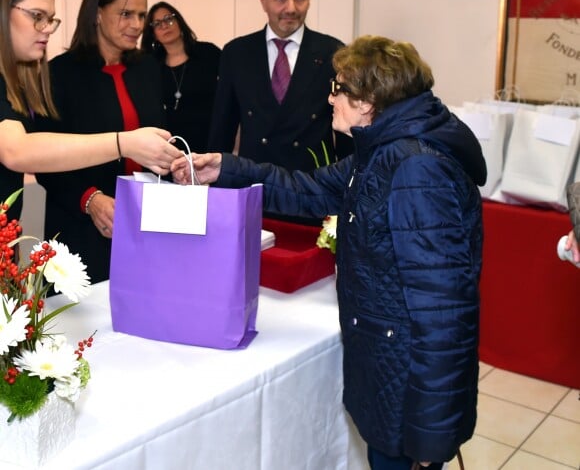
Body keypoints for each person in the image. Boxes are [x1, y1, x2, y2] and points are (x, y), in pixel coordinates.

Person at [174, 36, 486, 470]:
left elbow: (443, 312)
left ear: (368, 100)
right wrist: (226, 169)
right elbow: (309, 190)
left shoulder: (418, 170)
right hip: (387, 380)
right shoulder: (381, 151)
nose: (329, 97)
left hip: (406, 398)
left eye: (338, 88)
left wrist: (430, 439)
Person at [0, 0, 180, 223]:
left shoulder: (15, 82)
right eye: (37, 16)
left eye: (49, 19)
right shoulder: (58, 74)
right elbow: (18, 152)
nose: (48, 28)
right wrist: (124, 143)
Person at [35, 0, 171, 283]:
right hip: (83, 228)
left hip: (146, 223)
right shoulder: (60, 75)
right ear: (97, 14)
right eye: (125, 14)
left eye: (141, 15)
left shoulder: (148, 69)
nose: (137, 25)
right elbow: (44, 160)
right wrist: (89, 198)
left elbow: (160, 139)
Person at [208, 0, 352, 174]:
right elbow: (223, 127)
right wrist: (214, 184)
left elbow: (346, 130)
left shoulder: (333, 52)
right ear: (263, 0)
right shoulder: (236, 53)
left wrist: (349, 183)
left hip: (312, 187)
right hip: (254, 184)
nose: (291, 8)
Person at [141, 2, 221, 153]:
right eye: (157, 24)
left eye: (168, 19)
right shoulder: (150, 65)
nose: (164, 26)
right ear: (153, 34)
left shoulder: (208, 53)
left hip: (210, 142)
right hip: (170, 147)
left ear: (179, 22)